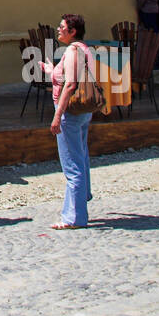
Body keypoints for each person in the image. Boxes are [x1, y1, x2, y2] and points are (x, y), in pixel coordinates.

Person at [42, 13, 97, 230]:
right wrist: (50, 70)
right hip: (82, 112)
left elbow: (71, 85)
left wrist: (57, 116)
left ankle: (74, 217)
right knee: (81, 158)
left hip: (70, 113)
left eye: (62, 27)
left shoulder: (73, 51)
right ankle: (82, 198)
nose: (58, 29)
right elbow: (66, 77)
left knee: (72, 165)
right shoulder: (83, 49)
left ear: (72, 31)